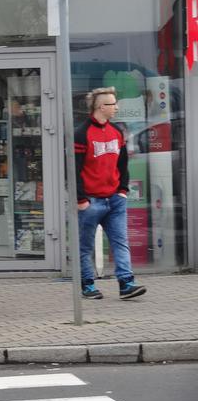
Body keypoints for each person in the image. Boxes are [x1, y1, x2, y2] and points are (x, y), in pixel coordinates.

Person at [74, 86, 147, 300]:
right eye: (112, 104)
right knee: (85, 246)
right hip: (91, 201)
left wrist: (123, 190)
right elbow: (74, 169)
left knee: (120, 242)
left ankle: (126, 284)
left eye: (116, 103)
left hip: (115, 199)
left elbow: (123, 164)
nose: (116, 107)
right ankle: (87, 285)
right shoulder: (82, 133)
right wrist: (81, 199)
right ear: (100, 107)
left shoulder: (117, 132)